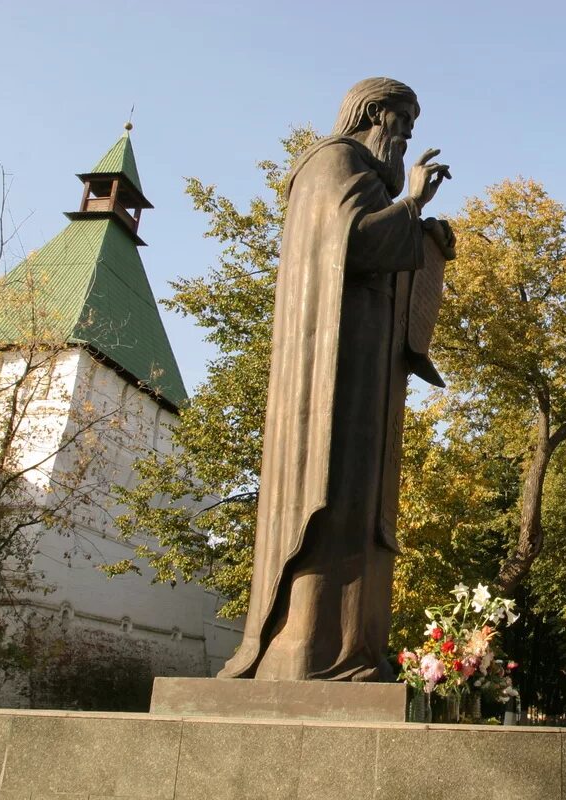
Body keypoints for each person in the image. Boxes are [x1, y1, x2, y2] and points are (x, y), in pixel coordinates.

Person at [219, 77, 453, 682]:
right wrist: (413, 208)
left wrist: (425, 239)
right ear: (374, 112)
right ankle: (307, 653)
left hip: (368, 360)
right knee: (336, 491)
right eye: (403, 121)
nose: (405, 138)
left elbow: (378, 246)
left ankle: (354, 650)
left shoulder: (366, 174)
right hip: (335, 369)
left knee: (363, 502)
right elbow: (354, 242)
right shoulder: (333, 160)